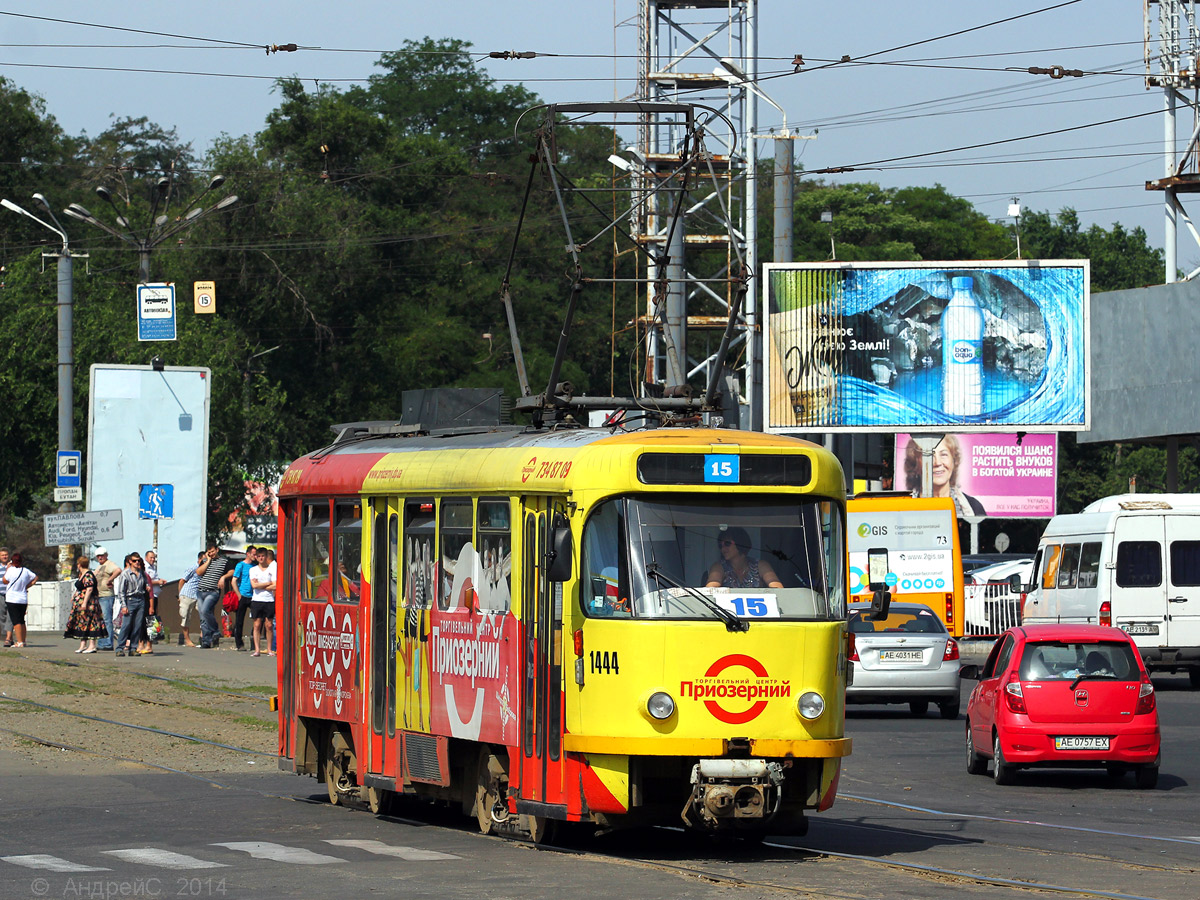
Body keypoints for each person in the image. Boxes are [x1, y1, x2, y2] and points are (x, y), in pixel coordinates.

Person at [903, 434, 986, 517]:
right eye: (929, 455)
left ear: (953, 461)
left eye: (943, 455)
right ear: (916, 464)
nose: (937, 463)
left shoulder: (973, 507)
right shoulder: (903, 507)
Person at [705, 527, 784, 589]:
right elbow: (711, 590)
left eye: (727, 543)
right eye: (720, 545)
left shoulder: (760, 565)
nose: (723, 548)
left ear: (740, 543)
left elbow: (777, 588)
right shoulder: (719, 567)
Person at [64, 555, 106, 653]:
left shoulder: (88, 575)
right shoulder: (81, 575)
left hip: (90, 603)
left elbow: (89, 589)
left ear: (79, 565)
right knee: (82, 623)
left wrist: (84, 603)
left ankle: (92, 646)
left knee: (91, 622)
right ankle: (83, 645)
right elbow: (80, 588)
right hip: (81, 603)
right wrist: (74, 596)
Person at [220, 546, 257, 651]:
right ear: (248, 554)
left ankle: (255, 638)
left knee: (258, 618)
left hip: (253, 595)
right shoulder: (241, 565)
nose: (255, 556)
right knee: (239, 620)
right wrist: (238, 594)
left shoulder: (255, 566)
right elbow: (234, 580)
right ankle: (239, 643)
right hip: (243, 595)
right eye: (253, 554)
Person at [112, 552, 150, 657]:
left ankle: (133, 648)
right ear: (130, 562)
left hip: (140, 600)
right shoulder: (125, 574)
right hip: (130, 600)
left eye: (138, 561)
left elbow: (146, 581)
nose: (137, 563)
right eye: (134, 561)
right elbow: (121, 591)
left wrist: (147, 586)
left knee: (137, 626)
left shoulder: (142, 573)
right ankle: (120, 648)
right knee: (126, 625)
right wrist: (124, 605)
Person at [195, 545, 231, 649]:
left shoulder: (224, 561)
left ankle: (215, 630)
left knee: (205, 611)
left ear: (217, 550)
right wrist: (208, 561)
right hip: (201, 591)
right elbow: (198, 572)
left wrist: (223, 577)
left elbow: (232, 571)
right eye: (209, 552)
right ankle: (206, 640)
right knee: (202, 617)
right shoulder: (206, 561)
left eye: (212, 551)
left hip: (213, 591)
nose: (211, 553)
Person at [2, 553, 37, 647]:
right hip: (23, 598)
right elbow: (35, 577)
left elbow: (4, 581)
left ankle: (19, 642)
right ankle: (23, 640)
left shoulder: (11, 570)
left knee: (16, 621)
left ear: (12, 562)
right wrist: (27, 585)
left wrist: (7, 570)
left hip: (12, 598)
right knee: (22, 620)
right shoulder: (25, 571)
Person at [137, 549, 166, 655]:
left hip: (153, 597)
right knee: (142, 622)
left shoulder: (151, 569)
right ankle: (141, 643)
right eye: (151, 557)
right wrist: (158, 582)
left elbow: (150, 583)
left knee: (151, 621)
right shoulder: (144, 570)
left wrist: (159, 582)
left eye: (154, 557)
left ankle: (149, 645)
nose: (153, 559)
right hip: (145, 598)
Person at [249, 547, 276, 657]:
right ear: (256, 557)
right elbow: (254, 585)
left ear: (266, 557)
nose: (261, 558)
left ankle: (269, 649)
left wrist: (261, 585)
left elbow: (275, 585)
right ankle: (257, 649)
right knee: (257, 624)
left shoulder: (272, 569)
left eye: (263, 556)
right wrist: (267, 584)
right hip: (257, 600)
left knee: (269, 625)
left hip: (269, 599)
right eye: (259, 556)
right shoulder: (253, 570)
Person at [93, 548, 121, 651]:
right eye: (98, 556)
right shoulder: (100, 566)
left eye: (102, 555)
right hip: (100, 595)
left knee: (106, 619)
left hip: (106, 596)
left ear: (106, 555)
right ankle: (102, 642)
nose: (100, 557)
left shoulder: (109, 564)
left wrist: (110, 580)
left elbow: (118, 570)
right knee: (101, 620)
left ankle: (108, 643)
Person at [177, 551, 206, 647]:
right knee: (185, 616)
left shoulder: (207, 569)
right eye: (204, 559)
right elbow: (182, 580)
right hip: (187, 594)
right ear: (199, 559)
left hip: (198, 595)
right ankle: (187, 639)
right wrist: (180, 595)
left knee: (204, 614)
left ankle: (203, 636)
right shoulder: (193, 568)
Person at [0, 547, 11, 647]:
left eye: (6, 555)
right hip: (1, 594)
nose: (4, 557)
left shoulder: (12, 567)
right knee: (1, 615)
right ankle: (4, 635)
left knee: (10, 616)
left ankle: (9, 637)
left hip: (11, 594)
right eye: (3, 555)